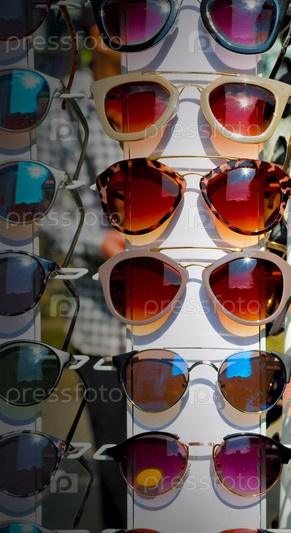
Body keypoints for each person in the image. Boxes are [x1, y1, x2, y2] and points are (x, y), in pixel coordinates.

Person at [38, 7, 127, 529]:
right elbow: (46, 205)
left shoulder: (168, 102)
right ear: (97, 35)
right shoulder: (64, 107)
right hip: (101, 320)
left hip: (176, 315)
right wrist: (99, 241)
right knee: (117, 461)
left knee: (173, 455)